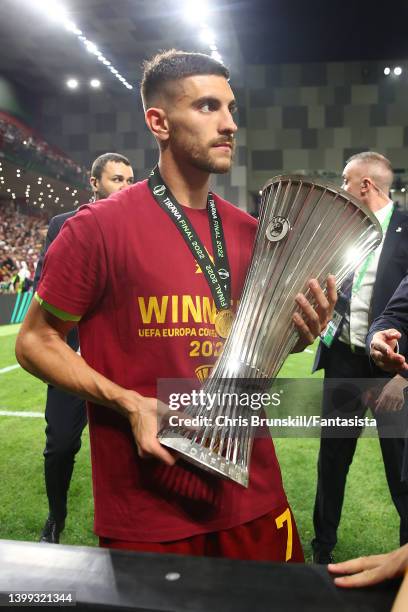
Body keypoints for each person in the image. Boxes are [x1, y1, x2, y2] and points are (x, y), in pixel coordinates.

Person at [16, 50, 335, 561]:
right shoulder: (97, 228)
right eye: (208, 107)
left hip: (254, 492)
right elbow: (35, 340)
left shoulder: (252, 234)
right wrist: (128, 401)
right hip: (149, 507)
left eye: (231, 108)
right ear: (158, 122)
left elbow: (251, 348)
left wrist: (299, 333)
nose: (230, 124)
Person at [311, 151, 408, 564]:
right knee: (332, 458)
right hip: (343, 361)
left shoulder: (406, 230)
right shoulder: (345, 233)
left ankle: (406, 558)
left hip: (391, 369)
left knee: (401, 466)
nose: (342, 188)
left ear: (365, 185)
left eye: (346, 181)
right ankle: (322, 548)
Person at [35, 152, 134, 543]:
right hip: (71, 359)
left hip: (123, 359)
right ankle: (55, 520)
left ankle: (131, 529)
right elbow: (48, 286)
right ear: (94, 183)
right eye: (116, 180)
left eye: (129, 180)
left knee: (132, 449)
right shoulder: (63, 226)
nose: (124, 187)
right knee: (60, 445)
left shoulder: (138, 226)